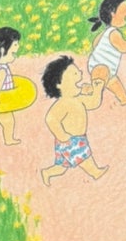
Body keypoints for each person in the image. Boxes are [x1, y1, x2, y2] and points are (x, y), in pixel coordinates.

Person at [40, 56, 108, 186]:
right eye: (74, 74)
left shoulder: (78, 98)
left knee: (61, 167)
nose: (80, 73)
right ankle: (95, 172)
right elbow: (51, 119)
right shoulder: (63, 103)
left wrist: (97, 90)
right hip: (71, 140)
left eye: (78, 72)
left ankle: (47, 172)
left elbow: (93, 103)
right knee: (84, 157)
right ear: (59, 84)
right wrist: (62, 135)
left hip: (75, 139)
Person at [87, 0, 126, 105]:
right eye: (125, 10)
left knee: (113, 82)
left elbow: (95, 43)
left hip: (106, 66)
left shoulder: (106, 32)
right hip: (101, 66)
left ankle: (123, 98)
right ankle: (90, 91)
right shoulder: (113, 33)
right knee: (99, 83)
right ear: (113, 14)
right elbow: (122, 47)